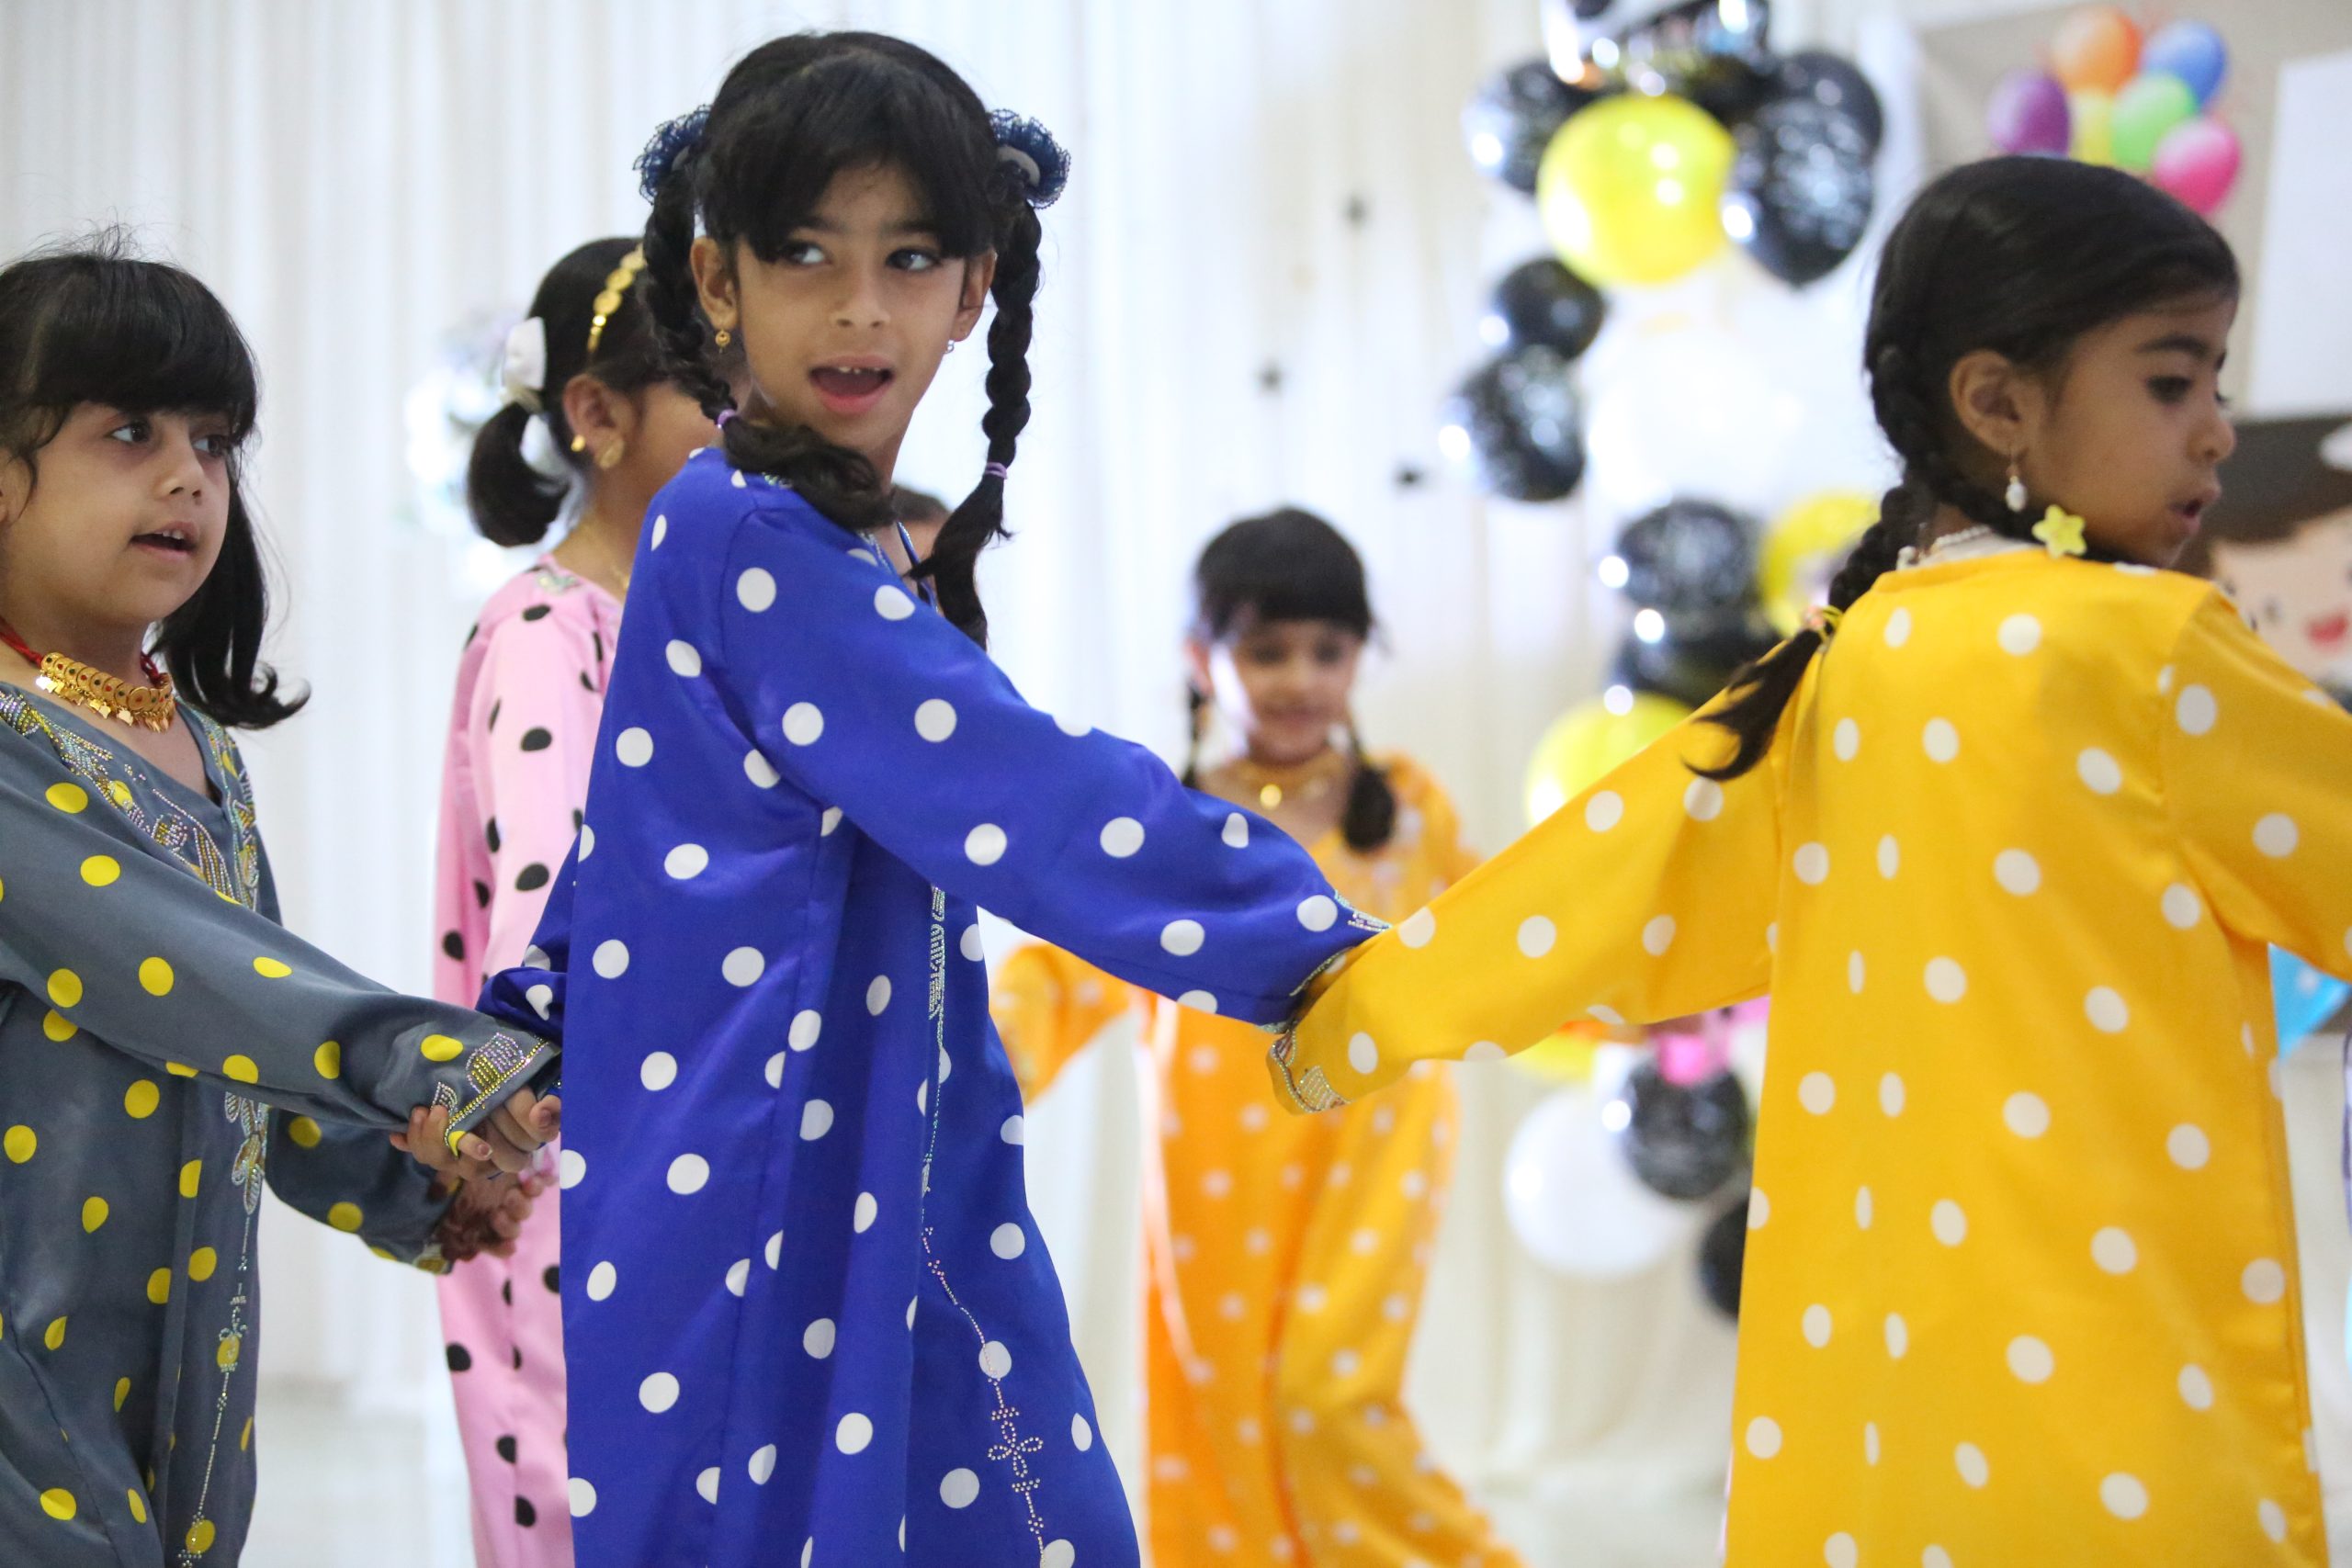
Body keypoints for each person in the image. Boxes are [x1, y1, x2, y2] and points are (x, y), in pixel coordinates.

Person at [1278, 155, 2346, 1563]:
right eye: (2172, 380)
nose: (2216, 430)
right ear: (1997, 401)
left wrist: (1357, 1015)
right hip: (2118, 1373)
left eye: (2213, 382)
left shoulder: (1841, 666)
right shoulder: (2150, 654)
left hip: (1880, 1375)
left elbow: (1591, 889)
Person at [476, 34, 1375, 1568]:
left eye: (908, 258)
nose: (859, 308)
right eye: (805, 254)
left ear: (974, 289)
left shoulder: (796, 534)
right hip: (777, 1164)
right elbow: (1026, 793)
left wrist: (535, 1011)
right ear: (717, 280)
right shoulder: (752, 535)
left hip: (866, 1133)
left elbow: (632, 840)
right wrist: (1316, 939)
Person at [0, 237, 553, 1567]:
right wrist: (442, 1059)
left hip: (186, 1373)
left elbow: (233, 1042)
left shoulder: (196, 744)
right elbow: (194, 971)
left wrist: (410, 1186)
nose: (188, 475)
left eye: (214, 440)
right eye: (128, 432)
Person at [993, 507, 1523, 1566]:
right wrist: (967, 1078)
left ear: (1360, 657)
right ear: (1201, 659)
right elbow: (1055, 976)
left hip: (1376, 1146)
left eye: (1327, 649)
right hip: (1211, 1163)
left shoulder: (1404, 808)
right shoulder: (1162, 827)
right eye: (1266, 649)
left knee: (1328, 1397)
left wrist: (1636, 1003)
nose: (1299, 678)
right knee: (1221, 1406)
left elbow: (1503, 945)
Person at [432, 234, 718, 1567]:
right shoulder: (553, 629)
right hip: (578, 1179)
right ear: (596, 412)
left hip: (687, 1163)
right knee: (596, 1512)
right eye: (709, 388)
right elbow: (550, 923)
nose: (746, 418)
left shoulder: (696, 624)